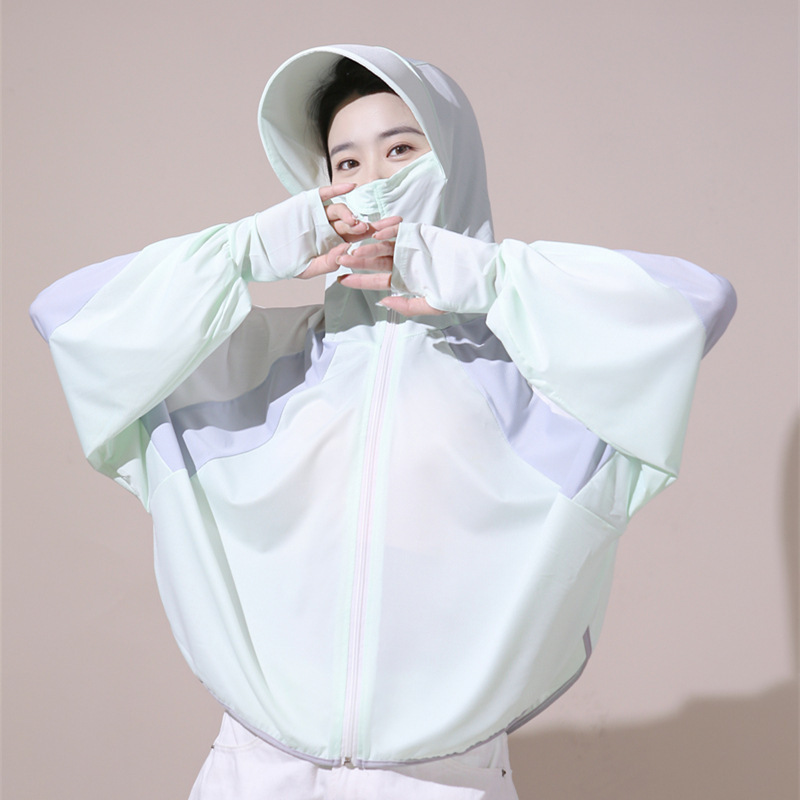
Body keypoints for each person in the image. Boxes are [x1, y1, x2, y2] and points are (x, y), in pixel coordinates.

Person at [29, 45, 736, 799]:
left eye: (401, 150)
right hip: (253, 776)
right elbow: (69, 316)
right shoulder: (249, 368)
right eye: (346, 163)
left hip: (446, 783)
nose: (372, 180)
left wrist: (486, 277)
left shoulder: (544, 382)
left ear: (455, 164)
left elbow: (696, 304)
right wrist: (243, 251)